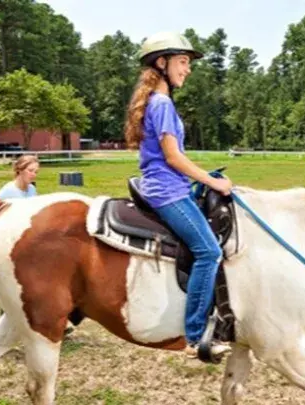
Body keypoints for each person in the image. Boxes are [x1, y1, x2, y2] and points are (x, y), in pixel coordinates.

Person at [125, 31, 233, 359]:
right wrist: (213, 183)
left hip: (170, 186)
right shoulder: (163, 104)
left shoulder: (157, 103)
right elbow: (173, 157)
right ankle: (196, 335)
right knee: (209, 252)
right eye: (183, 62)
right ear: (162, 63)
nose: (187, 69)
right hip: (167, 193)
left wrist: (204, 178)